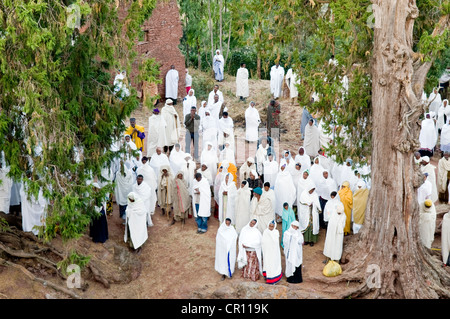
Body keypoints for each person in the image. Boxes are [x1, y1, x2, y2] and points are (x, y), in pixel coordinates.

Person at [298, 181, 321, 246]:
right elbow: (302, 203)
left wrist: (313, 204)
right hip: (306, 213)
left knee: (312, 226)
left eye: (313, 190)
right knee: (306, 225)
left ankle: (312, 241)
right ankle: (306, 240)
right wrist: (308, 204)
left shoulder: (315, 194)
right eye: (311, 190)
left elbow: (317, 204)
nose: (312, 191)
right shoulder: (304, 194)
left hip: (313, 213)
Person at [261, 220, 283, 285]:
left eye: (272, 226)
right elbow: (263, 241)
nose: (271, 227)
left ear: (274, 226)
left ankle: (273, 277)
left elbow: (275, 242)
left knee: (273, 264)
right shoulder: (265, 231)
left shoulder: (276, 232)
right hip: (267, 251)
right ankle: (267, 276)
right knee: (267, 263)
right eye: (270, 226)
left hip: (274, 252)